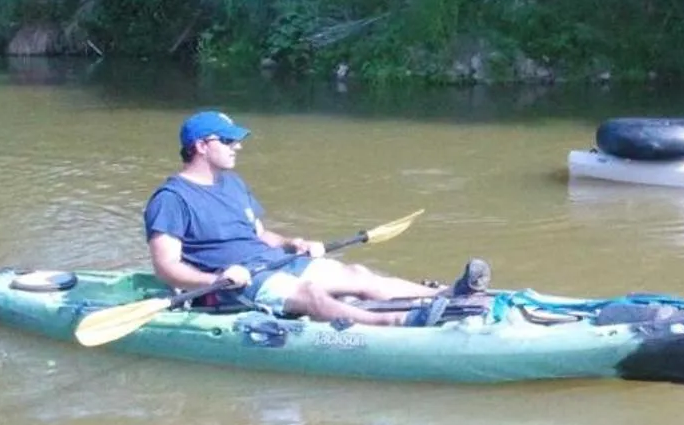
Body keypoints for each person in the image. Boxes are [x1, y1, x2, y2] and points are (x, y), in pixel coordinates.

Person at [142, 110, 486, 327]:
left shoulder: (232, 184)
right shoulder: (171, 199)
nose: (238, 146)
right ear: (202, 146)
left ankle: (451, 293)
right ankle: (400, 320)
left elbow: (261, 234)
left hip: (275, 261)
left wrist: (294, 243)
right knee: (312, 296)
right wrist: (215, 279)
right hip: (239, 284)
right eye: (229, 140)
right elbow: (166, 268)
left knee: (358, 274)